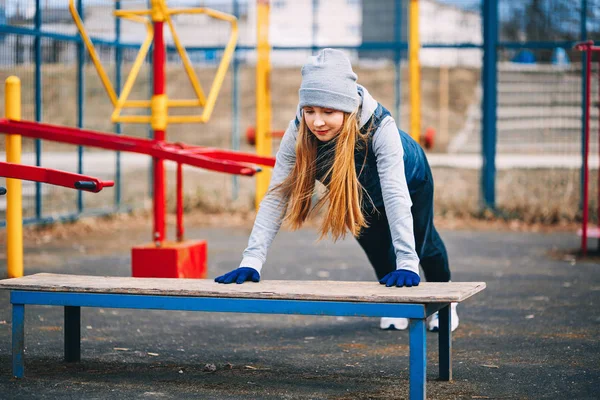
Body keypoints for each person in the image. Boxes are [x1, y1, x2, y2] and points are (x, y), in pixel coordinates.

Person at [215, 48, 458, 332]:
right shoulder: (298, 131)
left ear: (347, 108)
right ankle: (396, 301)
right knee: (376, 247)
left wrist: (407, 262)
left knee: (422, 243)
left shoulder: (381, 128)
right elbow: (277, 196)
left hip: (410, 182)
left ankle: (444, 304)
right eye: (310, 111)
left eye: (328, 111)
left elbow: (395, 194)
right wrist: (252, 260)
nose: (317, 121)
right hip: (356, 191)